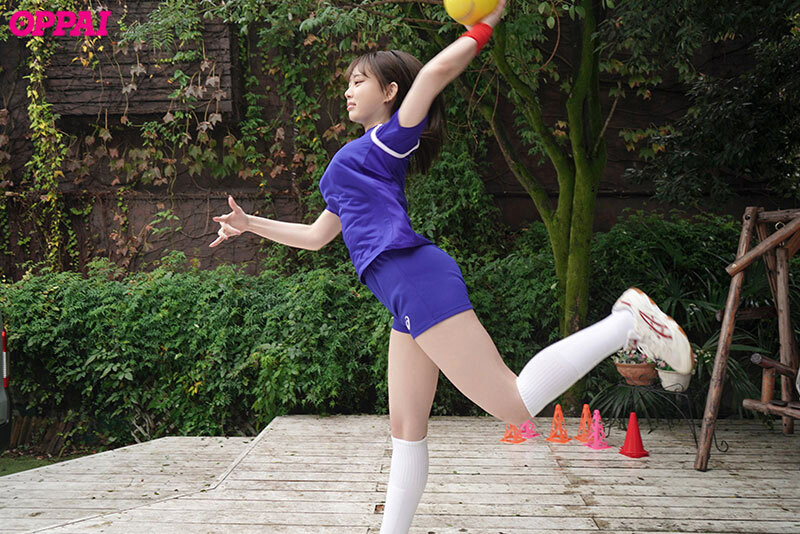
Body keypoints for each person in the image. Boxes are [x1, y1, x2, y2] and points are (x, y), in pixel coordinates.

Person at [209, 1, 693, 531]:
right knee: (405, 431)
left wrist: (484, 25)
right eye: (347, 83)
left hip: (414, 277)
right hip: (402, 293)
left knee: (514, 405)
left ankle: (626, 322)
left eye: (358, 81)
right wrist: (250, 224)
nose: (347, 90)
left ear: (389, 92)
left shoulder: (390, 139)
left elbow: (435, 73)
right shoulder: (353, 160)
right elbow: (316, 237)